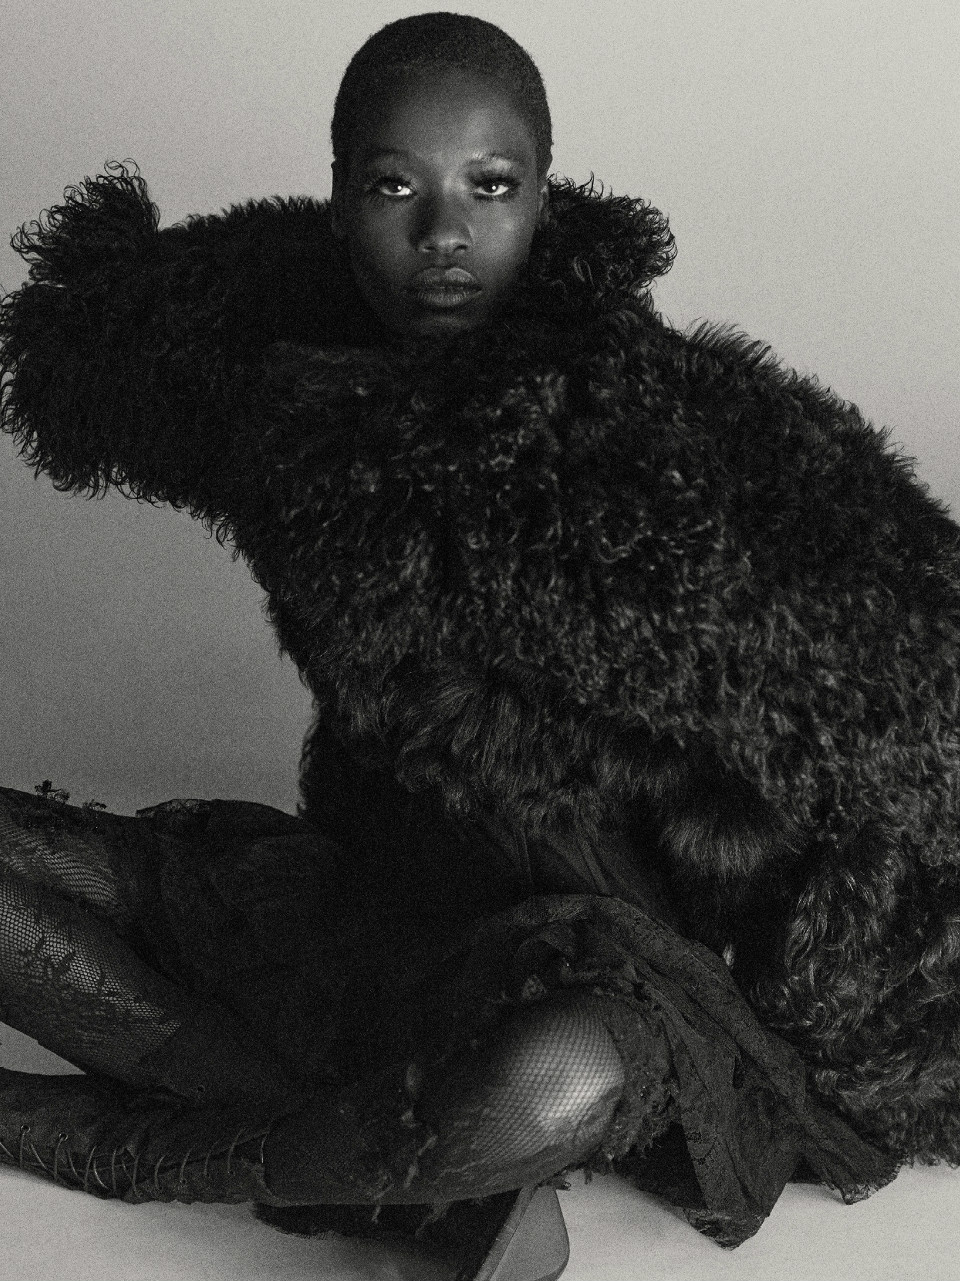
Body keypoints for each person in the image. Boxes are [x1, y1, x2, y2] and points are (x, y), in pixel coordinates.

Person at [0, 11, 956, 1279]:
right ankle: (423, 1186)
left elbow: (896, 690)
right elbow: (122, 364)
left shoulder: (647, 440)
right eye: (396, 187)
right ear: (339, 201)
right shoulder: (288, 389)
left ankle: (137, 1147)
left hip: (635, 959)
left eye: (491, 187)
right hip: (402, 900)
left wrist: (835, 982)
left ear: (546, 199)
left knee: (546, 1079)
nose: (444, 233)